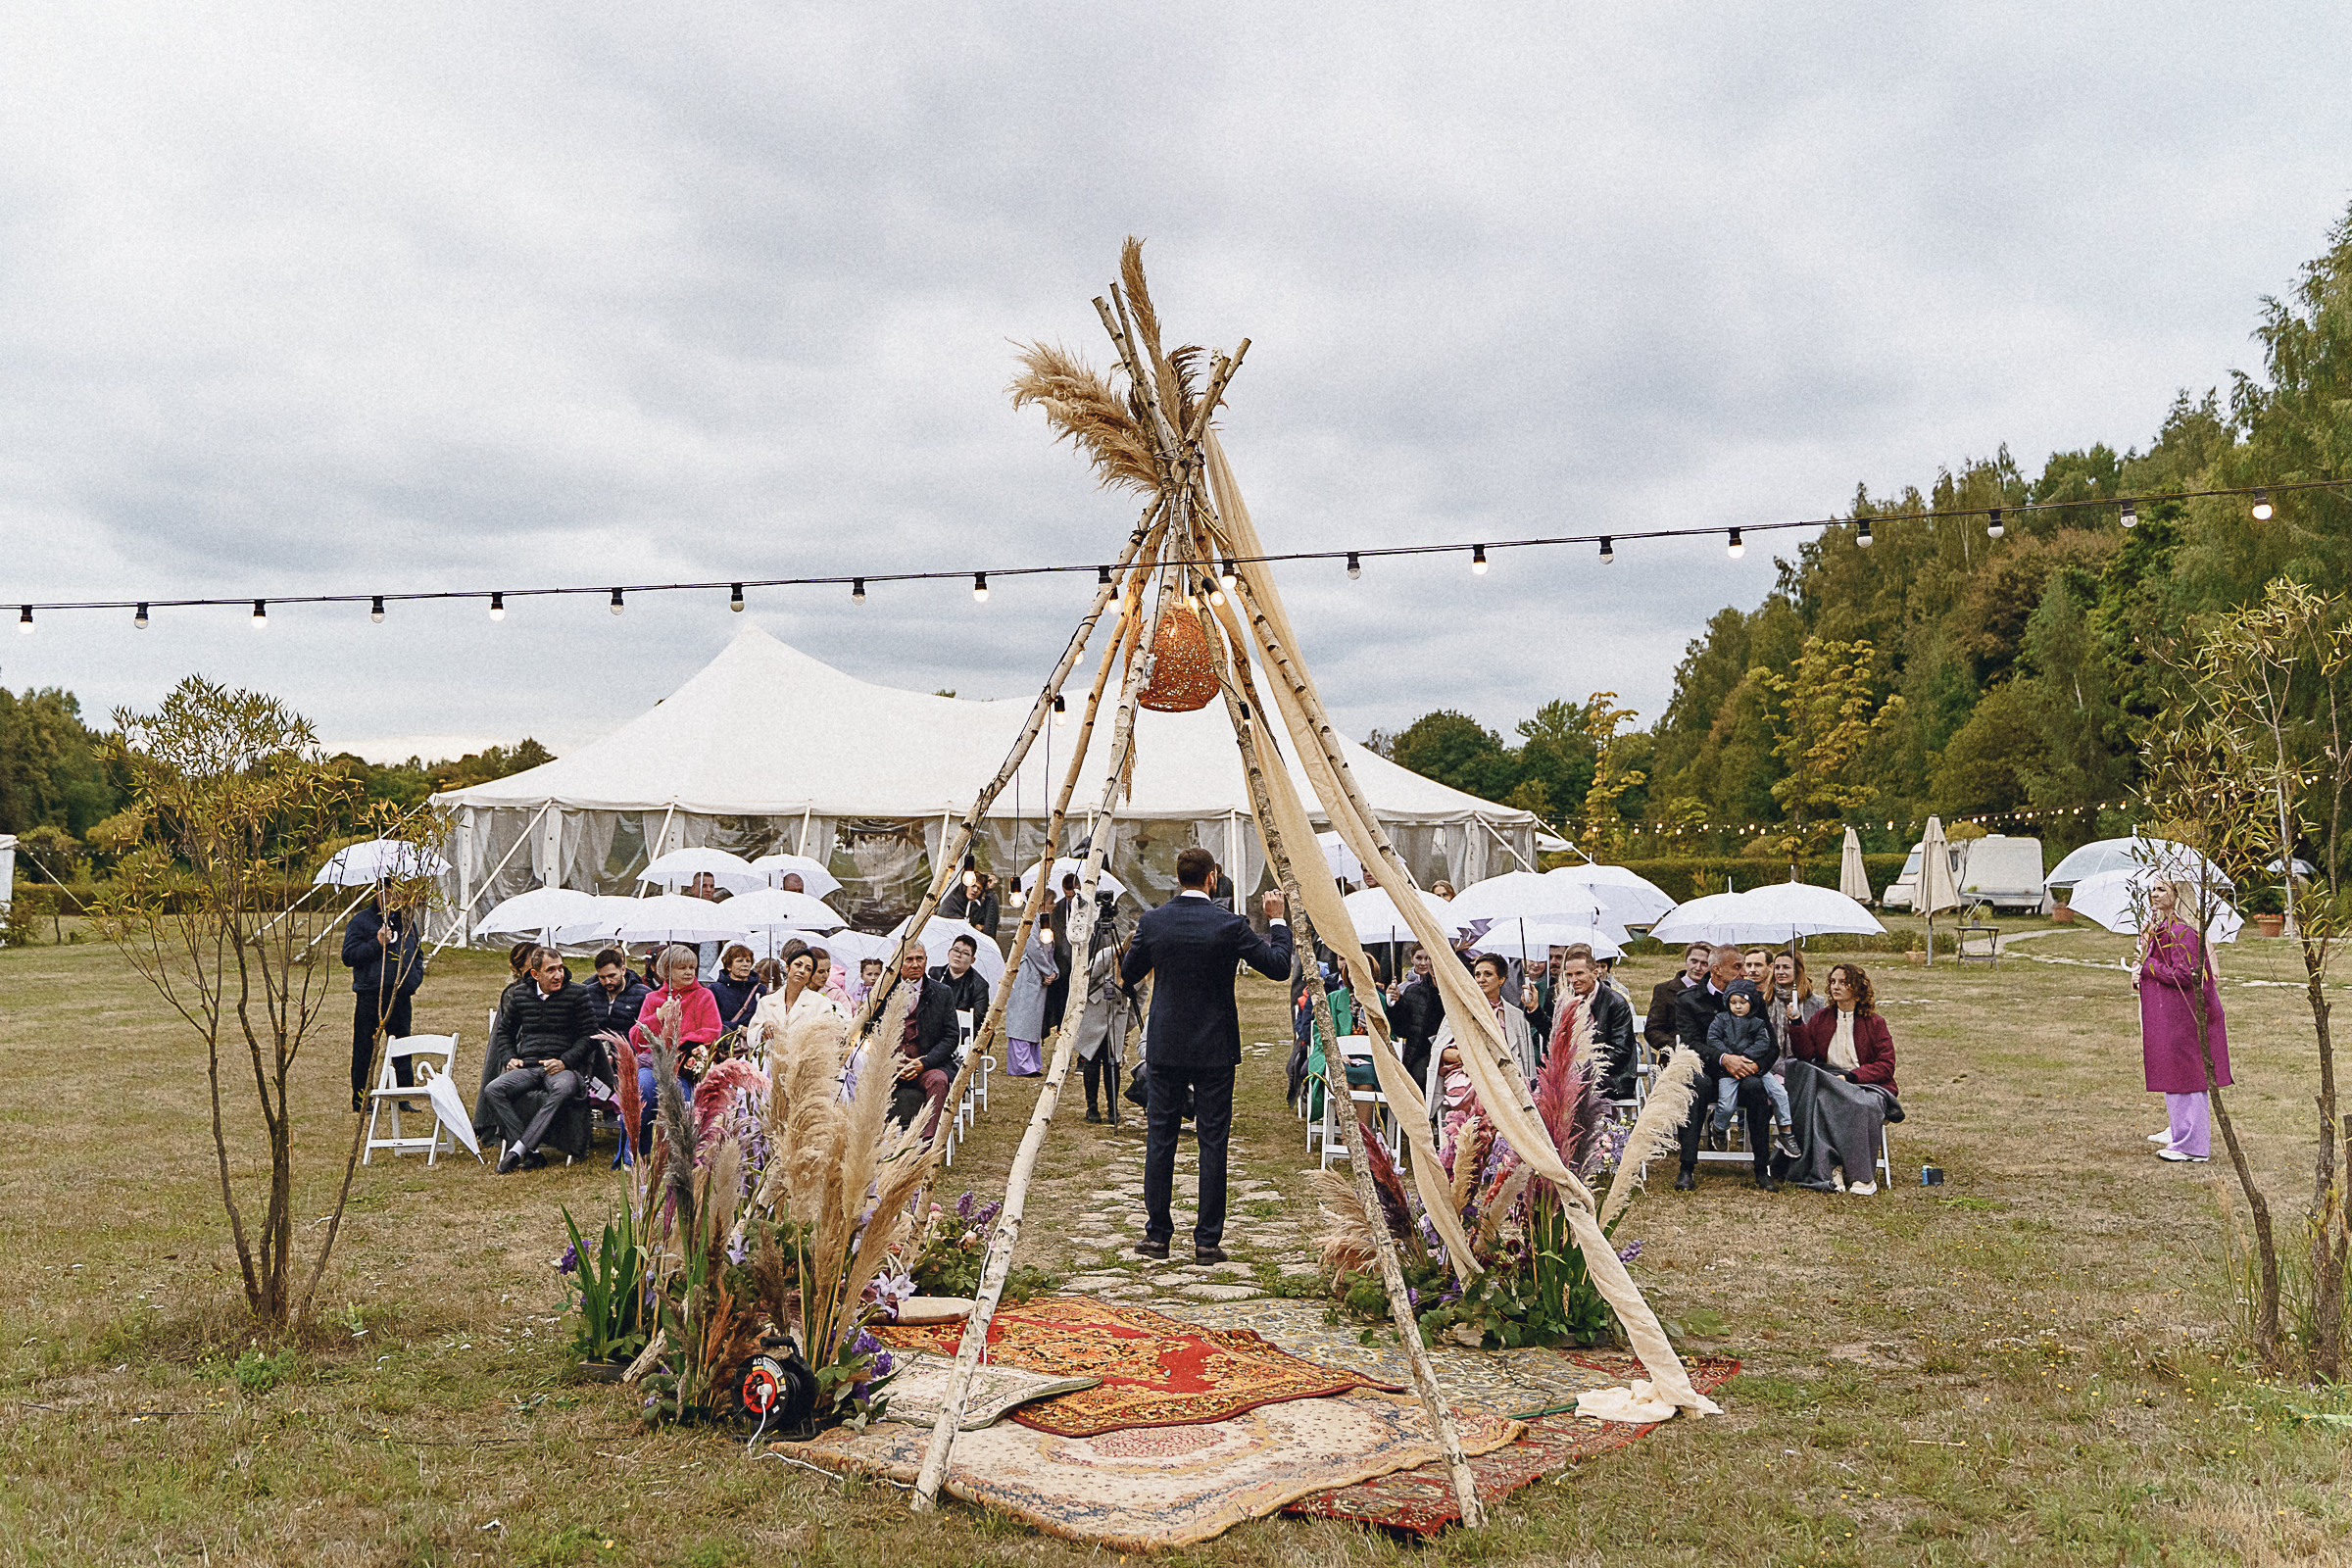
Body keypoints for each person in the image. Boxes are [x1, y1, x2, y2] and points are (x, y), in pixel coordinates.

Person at [1120, 848, 1292, 1264]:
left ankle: (1158, 1235)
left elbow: (1127, 975)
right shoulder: (1229, 924)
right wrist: (1278, 919)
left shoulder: (1153, 921)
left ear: (1178, 877)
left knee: (1160, 1139)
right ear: (1212, 878)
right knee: (1213, 1142)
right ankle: (1207, 1242)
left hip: (1167, 1044)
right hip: (1215, 1045)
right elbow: (1279, 966)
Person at [1785, 961, 1901, 1191]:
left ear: (1857, 988)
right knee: (1820, 1102)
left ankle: (1862, 1176)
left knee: (1863, 1105)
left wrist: (1852, 1078)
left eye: (1843, 982)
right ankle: (1830, 1170)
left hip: (1866, 1084)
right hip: (1829, 1080)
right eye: (1833, 982)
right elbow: (1806, 1054)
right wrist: (1796, 1022)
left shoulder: (1875, 1023)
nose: (1836, 986)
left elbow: (1886, 1065)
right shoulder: (1822, 1018)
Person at [2136, 879, 2230, 1162]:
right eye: (2152, 888)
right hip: (2169, 1014)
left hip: (2184, 1015)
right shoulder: (2164, 928)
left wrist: (2148, 966)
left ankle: (2193, 1145)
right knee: (2173, 1073)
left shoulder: (2183, 931)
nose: (2154, 893)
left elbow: (2184, 974)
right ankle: (2181, 1135)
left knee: (2188, 1075)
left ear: (2179, 895)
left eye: (2162, 889)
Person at [485, 947, 597, 1173]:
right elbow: (504, 1032)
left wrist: (565, 1061)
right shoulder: (520, 995)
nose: (558, 975)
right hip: (529, 1066)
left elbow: (590, 1037)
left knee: (562, 1089)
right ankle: (532, 1153)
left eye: (560, 969)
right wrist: (509, 1057)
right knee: (493, 1090)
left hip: (562, 1068)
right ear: (535, 974)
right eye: (551, 970)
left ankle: (517, 1150)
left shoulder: (578, 994)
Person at [1672, 945, 1752, 1190]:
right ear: (1717, 970)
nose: (1744, 972)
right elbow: (1691, 1042)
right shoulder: (1689, 1000)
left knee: (1758, 1085)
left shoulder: (1750, 997)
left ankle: (1763, 1167)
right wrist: (1724, 1058)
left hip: (1741, 1067)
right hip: (1706, 1067)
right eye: (1737, 967)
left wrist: (1747, 1060)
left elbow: (1761, 1034)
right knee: (1696, 1085)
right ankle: (1687, 1166)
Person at [342, 887, 426, 1111]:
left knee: (402, 1046)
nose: (394, 898)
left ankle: (403, 1097)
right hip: (371, 994)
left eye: (399, 893)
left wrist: (414, 977)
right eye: (389, 893)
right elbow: (348, 956)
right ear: (378, 895)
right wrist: (376, 943)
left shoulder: (407, 922)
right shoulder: (361, 922)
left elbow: (417, 952)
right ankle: (361, 1100)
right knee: (364, 1049)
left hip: (399, 995)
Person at [1704, 979, 1787, 1187]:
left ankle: (1785, 1134)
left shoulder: (1757, 1022)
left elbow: (1766, 1043)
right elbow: (1713, 1039)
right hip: (1727, 1071)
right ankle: (1719, 1127)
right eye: (1733, 1002)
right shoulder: (1721, 1019)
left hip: (1752, 1068)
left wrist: (1748, 1058)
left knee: (1775, 1093)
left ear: (1752, 1004)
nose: (1738, 1006)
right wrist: (1729, 1056)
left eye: (1743, 1002)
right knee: (1726, 1104)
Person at [874, 943, 959, 1137]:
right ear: (899, 964)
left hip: (927, 1065)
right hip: (889, 1067)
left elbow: (951, 1036)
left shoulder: (942, 992)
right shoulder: (883, 993)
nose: (915, 964)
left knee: (939, 1081)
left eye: (919, 959)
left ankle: (928, 1145)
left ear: (926, 961)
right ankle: (876, 1144)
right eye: (909, 959)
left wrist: (923, 1063)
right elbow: (871, 1032)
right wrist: (890, 1062)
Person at [1431, 952, 1537, 1083]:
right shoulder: (1459, 1011)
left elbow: (1526, 1060)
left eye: (1488, 974)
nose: (1481, 979)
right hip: (1469, 1077)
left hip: (1508, 1078)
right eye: (1477, 975)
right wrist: (1466, 1057)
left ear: (1501, 979)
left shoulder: (1516, 1016)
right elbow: (1440, 1051)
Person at [629, 944, 724, 1080]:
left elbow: (712, 1031)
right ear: (667, 971)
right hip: (655, 1063)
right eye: (682, 968)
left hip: (688, 1064)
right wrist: (657, 1017)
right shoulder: (652, 998)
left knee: (682, 1093)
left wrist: (677, 1045)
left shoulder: (704, 995)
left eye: (692, 967)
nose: (689, 972)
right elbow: (637, 1039)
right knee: (645, 1085)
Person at [1561, 944, 1638, 1100]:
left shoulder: (1615, 1002)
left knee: (1572, 1088)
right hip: (1574, 1073)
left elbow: (1620, 1052)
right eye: (1569, 975)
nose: (1573, 980)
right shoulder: (1567, 999)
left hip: (1614, 1076)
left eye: (1579, 973)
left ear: (1595, 973)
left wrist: (1585, 1067)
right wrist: (1534, 1010)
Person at [1075, 931, 1136, 1125]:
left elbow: (1139, 998)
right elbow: (1087, 979)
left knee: (1113, 1061)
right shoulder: (1108, 955)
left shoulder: (1144, 964)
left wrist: (1128, 1025)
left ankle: (1113, 1108)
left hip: (1118, 1016)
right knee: (1092, 1059)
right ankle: (1092, 1107)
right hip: (1097, 1010)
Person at [1385, 944, 1447, 1087]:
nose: (1428, 963)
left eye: (1431, 958)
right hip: (1419, 1056)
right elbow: (1402, 1030)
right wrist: (1396, 1004)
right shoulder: (1413, 991)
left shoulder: (1458, 993)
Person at [1646, 942, 1713, 1067]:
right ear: (1686, 961)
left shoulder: (1713, 992)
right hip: (1675, 1058)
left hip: (1709, 1057)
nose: (1698, 967)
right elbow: (1652, 1030)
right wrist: (1676, 1046)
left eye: (1704, 964)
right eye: (1694, 961)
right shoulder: (1664, 990)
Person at [1003, 927, 1057, 1076]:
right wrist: (1048, 970)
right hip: (1027, 974)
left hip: (1038, 977)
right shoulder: (1032, 922)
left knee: (1032, 1021)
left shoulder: (1045, 921)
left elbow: (1050, 952)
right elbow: (1034, 949)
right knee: (1021, 1020)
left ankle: (1031, 1062)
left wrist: (1053, 972)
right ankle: (1021, 1064)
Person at [1044, 873, 1081, 1036]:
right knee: (1061, 1002)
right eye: (1067, 896)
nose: (1071, 899)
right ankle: (1060, 1029)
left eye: (1073, 896)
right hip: (1061, 963)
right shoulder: (1057, 908)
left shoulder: (1088, 908)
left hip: (1079, 963)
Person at [708, 944, 767, 1039]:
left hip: (754, 1043)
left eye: (748, 961)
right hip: (726, 1044)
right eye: (740, 961)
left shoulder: (760, 989)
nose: (745, 964)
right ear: (729, 966)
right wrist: (737, 1028)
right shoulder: (716, 989)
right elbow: (712, 1021)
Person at [930, 934, 993, 1023]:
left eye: (965, 953)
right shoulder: (934, 975)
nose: (958, 955)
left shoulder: (979, 986)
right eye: (956, 950)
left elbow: (978, 1019)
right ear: (949, 953)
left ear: (972, 960)